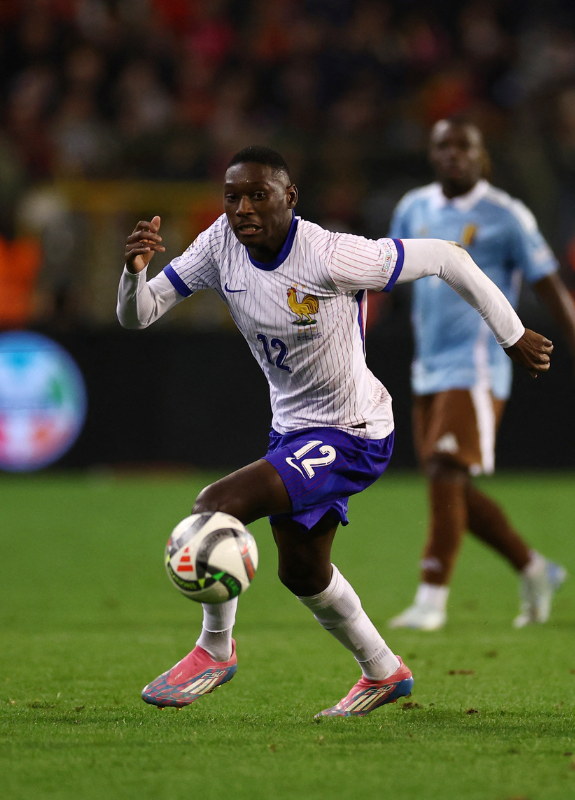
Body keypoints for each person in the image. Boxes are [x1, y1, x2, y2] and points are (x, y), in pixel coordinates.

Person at [117, 146, 552, 716]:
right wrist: (134, 272)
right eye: (232, 196)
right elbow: (139, 314)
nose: (243, 208)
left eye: (258, 195)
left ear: (289, 198)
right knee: (302, 570)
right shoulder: (220, 244)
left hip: (355, 430)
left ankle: (214, 650)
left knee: (214, 506)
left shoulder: (330, 253)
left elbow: (450, 258)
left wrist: (512, 334)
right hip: (293, 433)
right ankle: (383, 671)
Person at [386, 119, 575, 631]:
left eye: (463, 146)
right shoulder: (413, 207)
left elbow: (551, 286)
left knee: (447, 473)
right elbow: (383, 272)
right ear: (432, 155)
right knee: (450, 485)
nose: (453, 155)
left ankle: (431, 600)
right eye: (443, 146)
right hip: (426, 365)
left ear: (481, 155)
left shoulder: (506, 215)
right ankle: (535, 568)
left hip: (477, 364)